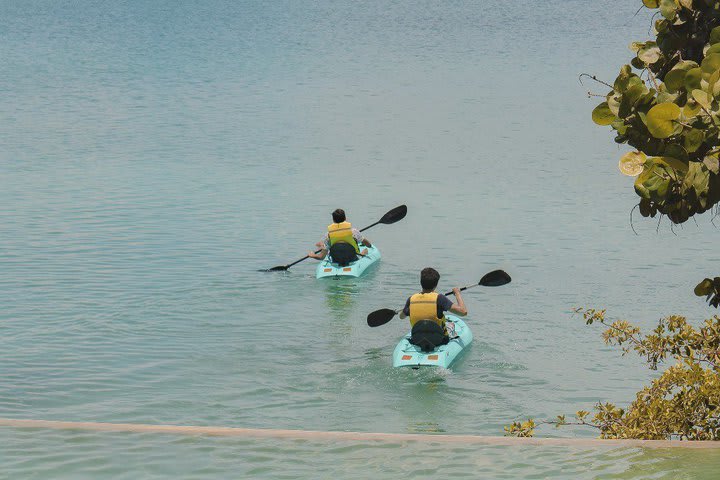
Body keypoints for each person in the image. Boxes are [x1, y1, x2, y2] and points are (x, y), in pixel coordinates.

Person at [399, 267, 467, 341]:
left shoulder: (411, 299)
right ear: (436, 285)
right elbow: (463, 312)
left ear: (421, 282)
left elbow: (401, 317)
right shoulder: (440, 298)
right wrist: (457, 294)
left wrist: (408, 308)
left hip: (417, 339)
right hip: (438, 340)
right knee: (451, 325)